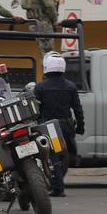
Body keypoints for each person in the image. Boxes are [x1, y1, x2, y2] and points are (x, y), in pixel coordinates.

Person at [34, 52, 84, 198]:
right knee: (64, 155)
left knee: (54, 156)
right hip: (66, 125)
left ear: (47, 67)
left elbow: (36, 110)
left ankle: (58, 187)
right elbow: (77, 109)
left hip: (48, 126)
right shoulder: (71, 86)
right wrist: (80, 127)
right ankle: (58, 183)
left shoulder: (40, 87)